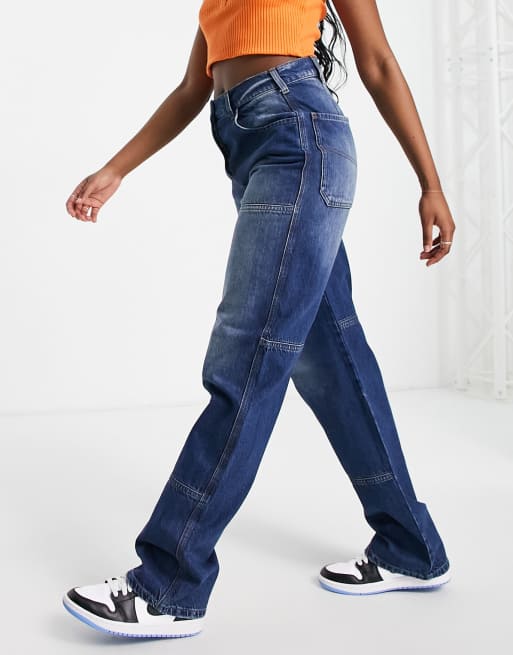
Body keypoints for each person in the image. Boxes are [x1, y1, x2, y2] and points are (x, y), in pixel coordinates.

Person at [62, 0, 455, 640]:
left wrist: (429, 184)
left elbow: (378, 62)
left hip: (299, 141)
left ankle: (168, 585)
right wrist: (115, 170)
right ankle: (410, 546)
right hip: (260, 152)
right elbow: (192, 88)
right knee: (332, 362)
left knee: (246, 360)